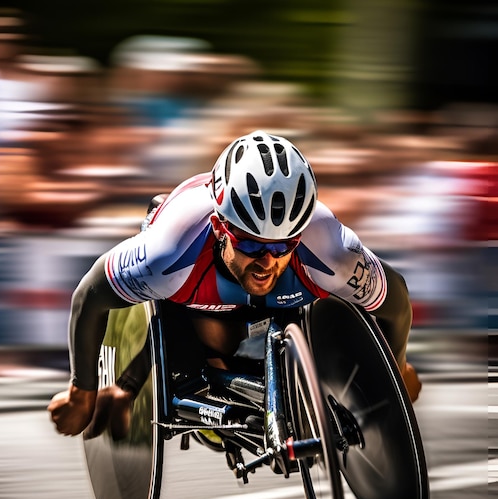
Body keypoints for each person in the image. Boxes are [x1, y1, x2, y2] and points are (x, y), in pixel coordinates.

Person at [48, 130, 421, 437]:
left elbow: (394, 298)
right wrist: (82, 391)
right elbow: (90, 296)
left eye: (282, 245)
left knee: (311, 312)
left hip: (274, 296)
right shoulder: (170, 252)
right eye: (250, 243)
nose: (266, 260)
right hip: (194, 287)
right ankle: (130, 384)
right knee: (208, 335)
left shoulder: (330, 250)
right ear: (219, 228)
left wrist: (398, 367)